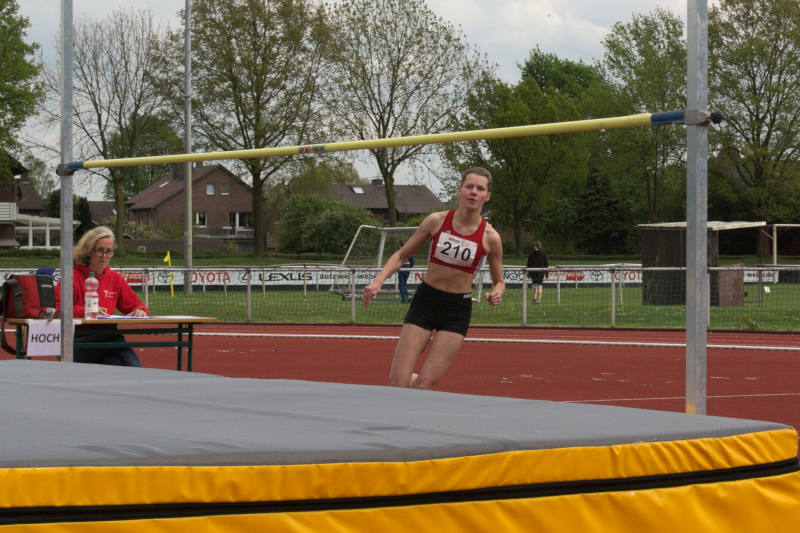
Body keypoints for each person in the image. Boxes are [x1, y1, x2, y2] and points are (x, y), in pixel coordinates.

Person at [363, 167, 505, 389]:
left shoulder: (491, 237)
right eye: (469, 186)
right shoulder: (436, 221)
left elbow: (499, 281)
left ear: (487, 196)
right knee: (397, 382)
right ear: (459, 190)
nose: (473, 192)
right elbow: (401, 255)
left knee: (425, 384)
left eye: (480, 189)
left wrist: (497, 292)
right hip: (426, 302)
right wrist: (378, 281)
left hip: (456, 310)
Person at [56, 226, 149, 366]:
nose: (104, 256)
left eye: (108, 251)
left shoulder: (115, 278)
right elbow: (56, 308)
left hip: (110, 338)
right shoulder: (71, 276)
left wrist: (140, 310)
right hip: (78, 339)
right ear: (89, 251)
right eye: (99, 250)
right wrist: (87, 311)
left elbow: (135, 304)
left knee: (134, 369)